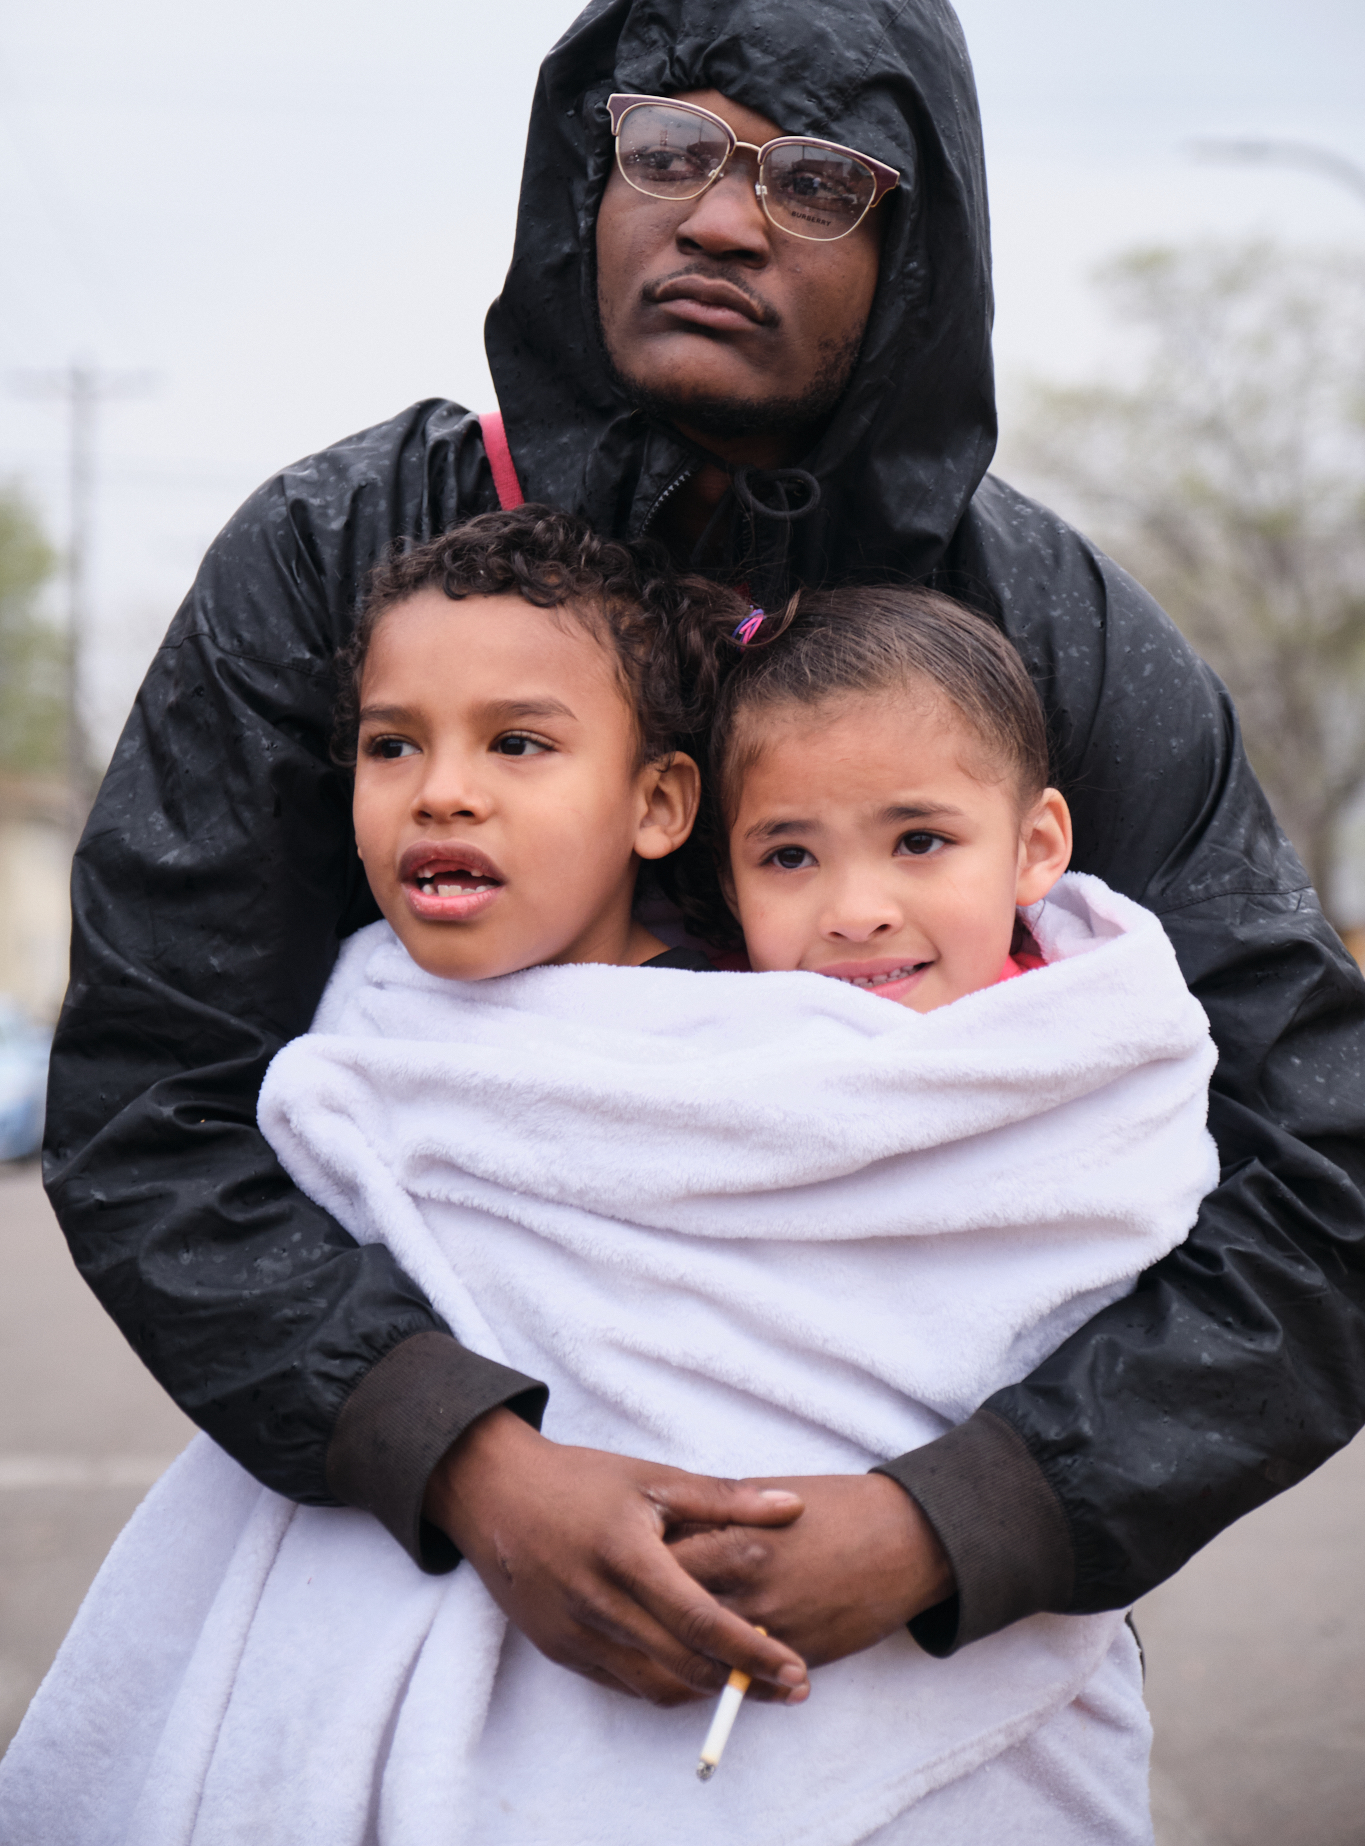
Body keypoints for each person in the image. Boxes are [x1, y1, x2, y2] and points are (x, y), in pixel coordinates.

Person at [43, 0, 1365, 1696]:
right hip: (404, 1599)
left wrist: (956, 1517)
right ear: (587, 189)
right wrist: (464, 1457)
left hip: (916, 1652)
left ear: (912, 256)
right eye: (667, 150)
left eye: (814, 181)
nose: (722, 217)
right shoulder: (347, 556)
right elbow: (154, 1093)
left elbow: (1323, 1157)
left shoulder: (1037, 624)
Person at [7, 523, 1215, 1844]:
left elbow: (1038, 1239)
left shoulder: (838, 1036)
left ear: (659, 805)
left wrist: (953, 1521)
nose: (442, 791)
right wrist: (459, 1455)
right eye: (389, 744)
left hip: (861, 1634)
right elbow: (205, 1217)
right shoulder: (362, 1031)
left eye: (515, 744)